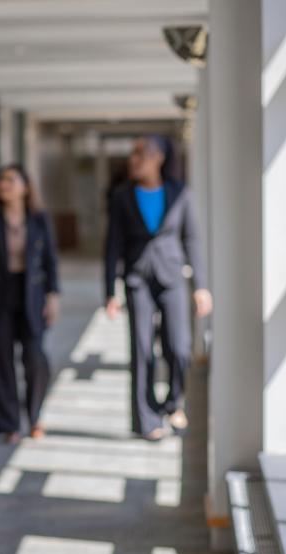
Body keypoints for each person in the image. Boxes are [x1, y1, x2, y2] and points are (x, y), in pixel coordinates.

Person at [104, 135, 213, 441]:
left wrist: (201, 286)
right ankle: (146, 419)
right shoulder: (122, 196)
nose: (134, 158)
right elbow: (112, 244)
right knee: (141, 350)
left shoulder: (180, 193)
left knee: (179, 347)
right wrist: (110, 290)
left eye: (141, 152)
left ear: (160, 158)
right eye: (133, 152)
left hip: (172, 277)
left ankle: (173, 402)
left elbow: (191, 238)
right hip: (137, 279)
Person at [0, 164, 60, 443]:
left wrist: (53, 296)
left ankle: (35, 416)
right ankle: (9, 424)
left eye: (10, 179)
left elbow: (50, 260)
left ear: (25, 187)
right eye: (1, 179)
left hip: (31, 294)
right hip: (0, 295)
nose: (3, 184)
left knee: (36, 357)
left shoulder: (39, 218)